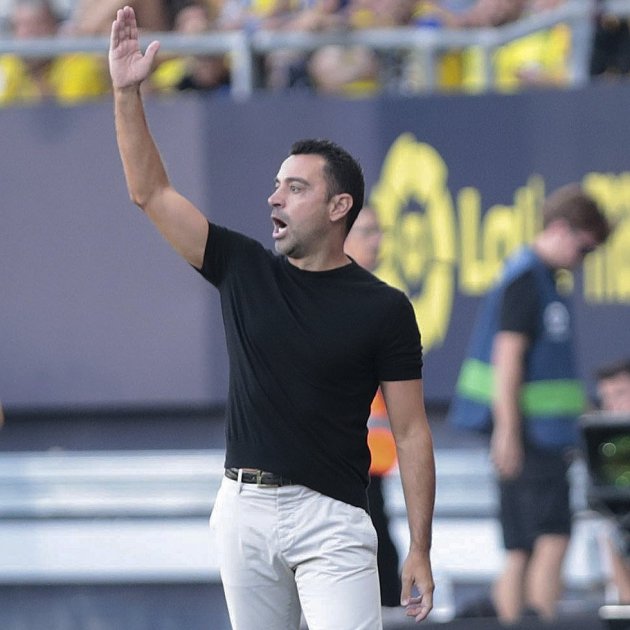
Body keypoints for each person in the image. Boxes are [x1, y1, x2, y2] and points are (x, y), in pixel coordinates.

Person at [108, 6, 436, 629]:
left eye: (295, 188)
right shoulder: (242, 266)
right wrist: (126, 94)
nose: (274, 197)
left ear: (339, 206)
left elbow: (413, 432)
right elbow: (150, 192)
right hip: (243, 510)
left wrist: (419, 546)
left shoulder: (385, 307)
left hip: (334, 518)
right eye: (277, 184)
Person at [448, 183, 611, 624]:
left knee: (523, 546)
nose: (583, 260)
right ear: (560, 228)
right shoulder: (527, 280)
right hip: (531, 439)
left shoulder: (540, 279)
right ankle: (538, 619)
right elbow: (508, 358)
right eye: (584, 248)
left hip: (534, 435)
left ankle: (516, 619)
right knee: (549, 538)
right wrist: (507, 433)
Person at [344, 206, 403, 607]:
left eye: (379, 231)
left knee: (380, 559)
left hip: (369, 468)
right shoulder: (332, 301)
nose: (377, 240)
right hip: (337, 469)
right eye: (367, 231)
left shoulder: (379, 301)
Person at [0, 0, 110, 106]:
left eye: (39, 24)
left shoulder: (79, 66)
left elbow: (74, 114)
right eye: (22, 26)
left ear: (54, 26)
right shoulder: (6, 68)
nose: (30, 34)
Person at [594, 358, 630, 603]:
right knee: (610, 530)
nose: (612, 405)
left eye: (620, 394)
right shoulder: (607, 448)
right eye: (605, 398)